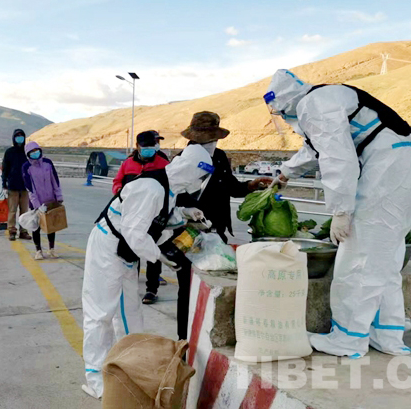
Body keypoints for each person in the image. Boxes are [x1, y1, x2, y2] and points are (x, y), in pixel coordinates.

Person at [264, 69, 411, 358]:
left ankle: (348, 338)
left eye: (281, 113)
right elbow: (315, 149)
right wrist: (285, 173)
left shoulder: (313, 105)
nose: (285, 119)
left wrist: (341, 210)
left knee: (358, 256)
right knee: (385, 256)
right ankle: (387, 333)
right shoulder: (328, 97)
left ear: (287, 102)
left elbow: (337, 158)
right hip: (405, 165)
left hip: (385, 169)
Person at [81, 144, 212, 400]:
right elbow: (134, 232)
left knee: (129, 310)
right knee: (100, 313)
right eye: (200, 175)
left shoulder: (168, 189)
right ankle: (95, 378)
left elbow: (159, 217)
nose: (199, 182)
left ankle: (130, 367)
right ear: (189, 170)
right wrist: (160, 256)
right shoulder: (151, 188)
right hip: (108, 247)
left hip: (125, 252)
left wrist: (185, 214)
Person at [174, 111, 273, 340]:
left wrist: (251, 186)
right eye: (207, 137)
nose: (211, 142)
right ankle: (184, 341)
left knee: (216, 287)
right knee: (188, 289)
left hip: (217, 234)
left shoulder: (219, 157)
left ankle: (207, 339)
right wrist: (187, 212)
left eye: (213, 137)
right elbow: (173, 198)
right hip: (189, 234)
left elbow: (230, 186)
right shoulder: (182, 160)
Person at [112, 130, 171, 305]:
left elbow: (170, 189)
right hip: (131, 216)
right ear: (138, 146)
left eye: (152, 146)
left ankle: (151, 289)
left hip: (154, 217)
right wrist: (120, 192)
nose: (149, 150)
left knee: (152, 251)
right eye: (145, 147)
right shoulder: (128, 163)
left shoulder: (163, 164)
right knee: (131, 251)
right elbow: (117, 182)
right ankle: (130, 286)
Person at [22, 142, 63, 260]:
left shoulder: (48, 163)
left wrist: (59, 197)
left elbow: (55, 180)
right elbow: (30, 188)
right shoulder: (26, 167)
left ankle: (51, 249)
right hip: (37, 202)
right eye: (32, 152)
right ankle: (38, 251)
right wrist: (37, 206)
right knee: (36, 227)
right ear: (28, 154)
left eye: (37, 150)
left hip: (51, 200)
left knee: (51, 226)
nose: (35, 153)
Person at [1, 129, 32, 241]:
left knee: (24, 211)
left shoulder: (27, 152)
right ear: (14, 138)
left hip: (25, 186)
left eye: (21, 136)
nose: (19, 138)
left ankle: (23, 231)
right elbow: (5, 168)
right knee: (12, 210)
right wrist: (4, 182)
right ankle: (12, 230)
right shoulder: (9, 152)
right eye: (17, 136)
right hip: (13, 185)